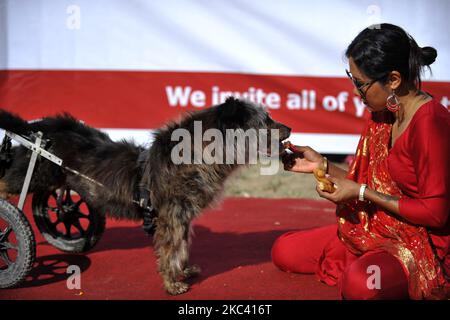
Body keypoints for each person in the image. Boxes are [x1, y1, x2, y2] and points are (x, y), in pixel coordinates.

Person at [272, 23, 449, 300]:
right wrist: (322, 166)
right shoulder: (385, 111)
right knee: (284, 250)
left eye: (360, 84)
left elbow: (435, 213)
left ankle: (370, 266)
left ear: (393, 79)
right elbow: (369, 182)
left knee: (360, 286)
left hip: (421, 242)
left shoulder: (430, 122)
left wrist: (362, 193)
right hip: (377, 227)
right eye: (352, 79)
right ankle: (367, 259)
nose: (356, 92)